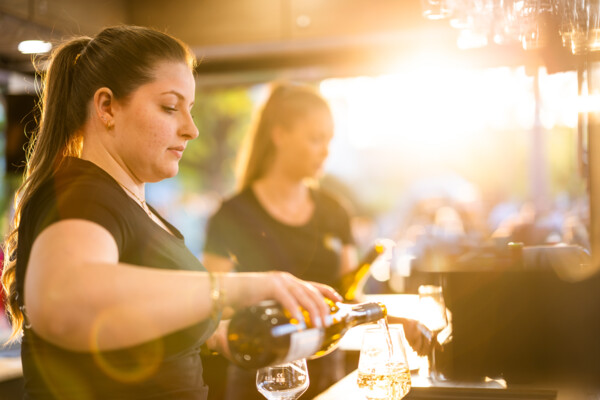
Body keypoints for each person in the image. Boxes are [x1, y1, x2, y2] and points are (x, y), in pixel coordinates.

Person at [0, 26, 340, 400]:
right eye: (169, 107)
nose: (191, 129)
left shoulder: (127, 204)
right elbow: (63, 303)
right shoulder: (81, 194)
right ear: (107, 107)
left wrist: (225, 330)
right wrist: (237, 288)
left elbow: (141, 325)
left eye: (190, 110)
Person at [203, 83, 431, 399]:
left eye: (329, 140)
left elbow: (347, 300)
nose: (326, 150)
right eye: (315, 139)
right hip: (261, 380)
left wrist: (399, 322)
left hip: (328, 378)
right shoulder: (233, 215)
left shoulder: (334, 212)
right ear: (280, 135)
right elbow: (213, 302)